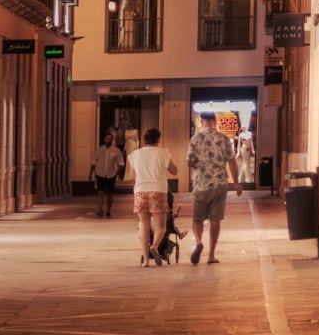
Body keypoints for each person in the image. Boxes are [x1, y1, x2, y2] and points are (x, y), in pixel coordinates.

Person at [187, 111, 243, 264]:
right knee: (215, 220)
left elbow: (189, 163)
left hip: (201, 185)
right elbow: (232, 162)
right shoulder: (224, 139)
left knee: (197, 219)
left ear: (201, 120)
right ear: (215, 121)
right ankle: (211, 255)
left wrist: (201, 162)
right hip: (219, 184)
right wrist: (236, 183)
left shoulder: (195, 138)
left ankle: (199, 243)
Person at [128, 127, 177, 266]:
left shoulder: (135, 154)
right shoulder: (163, 153)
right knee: (161, 227)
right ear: (158, 139)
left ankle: (145, 260)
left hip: (140, 190)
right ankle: (154, 247)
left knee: (144, 224)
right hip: (158, 190)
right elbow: (174, 171)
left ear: (144, 140)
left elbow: (133, 177)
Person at [89, 131, 125, 218]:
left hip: (111, 174)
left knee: (110, 193)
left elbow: (121, 163)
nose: (108, 140)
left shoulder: (116, 151)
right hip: (100, 173)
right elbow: (94, 163)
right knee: (100, 192)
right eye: (107, 138)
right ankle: (99, 209)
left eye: (110, 139)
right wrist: (90, 174)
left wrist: (117, 173)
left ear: (112, 140)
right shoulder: (99, 150)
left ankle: (108, 210)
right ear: (104, 139)